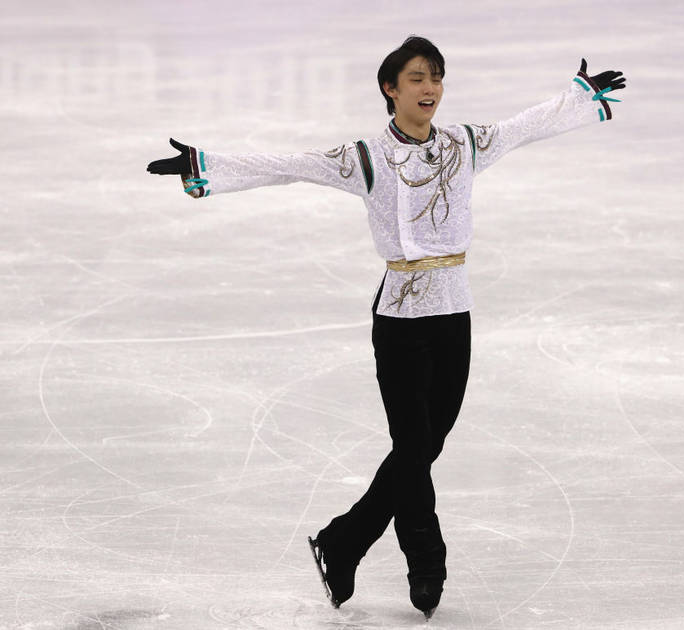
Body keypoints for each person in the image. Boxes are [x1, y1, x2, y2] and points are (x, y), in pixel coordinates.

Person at [146, 35, 626, 620]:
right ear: (390, 89)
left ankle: (344, 541)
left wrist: (579, 98)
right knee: (414, 447)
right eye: (417, 78)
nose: (430, 88)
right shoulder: (366, 158)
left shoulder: (464, 144)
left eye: (436, 77)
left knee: (426, 445)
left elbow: (522, 127)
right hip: (400, 317)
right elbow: (289, 166)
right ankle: (426, 562)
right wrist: (207, 165)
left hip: (454, 310)